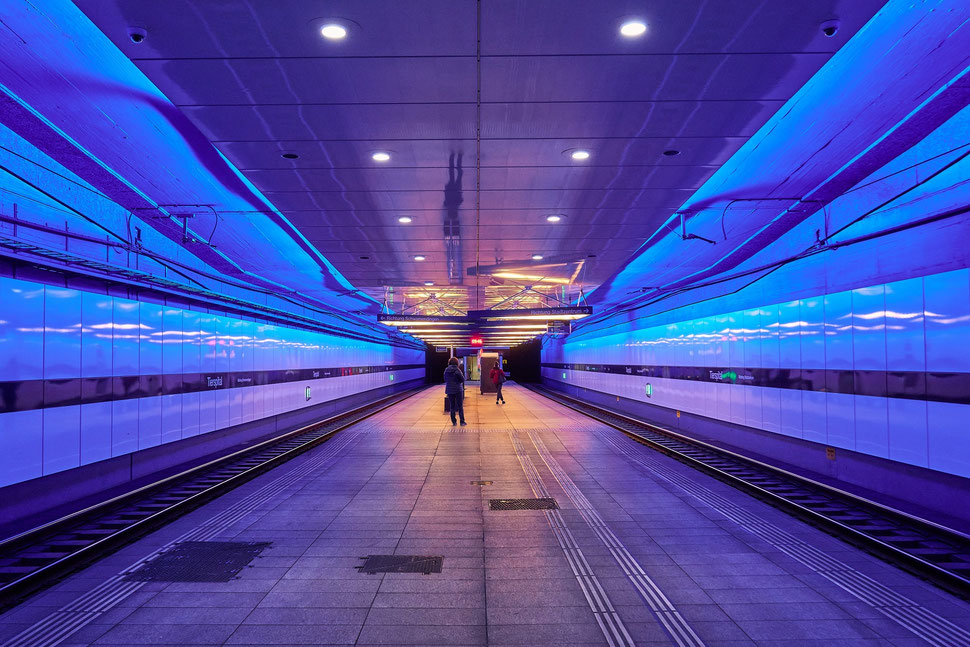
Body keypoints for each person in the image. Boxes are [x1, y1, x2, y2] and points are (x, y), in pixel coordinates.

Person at [443, 357, 467, 426]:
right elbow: (462, 379)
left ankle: (454, 421)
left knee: (452, 406)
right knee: (460, 406)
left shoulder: (446, 370)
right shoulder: (457, 370)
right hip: (458, 390)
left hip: (449, 390)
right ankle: (462, 421)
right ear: (456, 363)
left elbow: (445, 379)